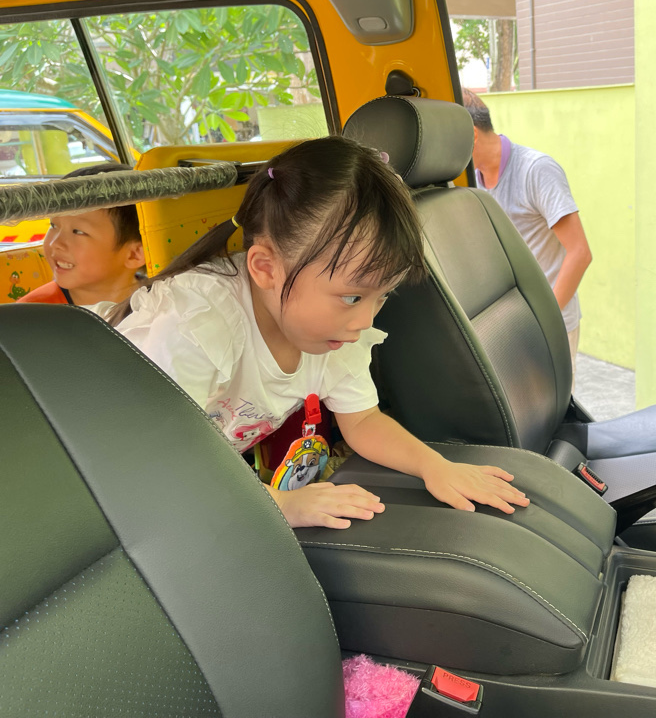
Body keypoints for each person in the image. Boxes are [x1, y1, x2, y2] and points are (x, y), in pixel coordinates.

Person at [114, 136, 530, 530]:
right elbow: (156, 462)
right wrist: (282, 505)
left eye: (382, 296)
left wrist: (434, 466)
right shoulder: (194, 327)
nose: (365, 320)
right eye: (352, 297)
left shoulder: (333, 329)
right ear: (265, 269)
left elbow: (362, 419)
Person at [462, 89, 591, 376]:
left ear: (471, 134)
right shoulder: (471, 181)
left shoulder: (536, 170)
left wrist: (544, 321)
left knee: (554, 405)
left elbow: (580, 253)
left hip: (548, 326)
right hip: (507, 326)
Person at [18, 162, 145, 314]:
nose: (55, 243)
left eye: (78, 232)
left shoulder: (161, 301)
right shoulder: (29, 316)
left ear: (134, 254)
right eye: (53, 225)